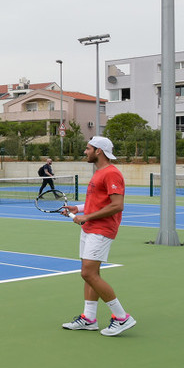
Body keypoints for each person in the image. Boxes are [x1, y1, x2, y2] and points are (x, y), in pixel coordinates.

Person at [60, 136, 137, 336]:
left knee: (88, 273)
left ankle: (121, 317)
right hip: (90, 229)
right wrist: (77, 208)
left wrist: (86, 217)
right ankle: (89, 318)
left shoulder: (111, 174)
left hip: (101, 230)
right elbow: (98, 203)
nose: (85, 152)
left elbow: (117, 205)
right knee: (92, 275)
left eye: (88, 148)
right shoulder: (99, 173)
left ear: (99, 151)